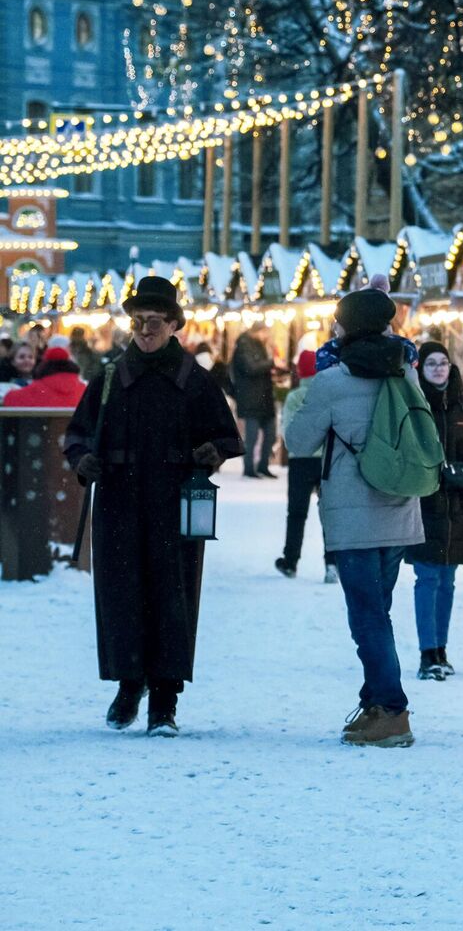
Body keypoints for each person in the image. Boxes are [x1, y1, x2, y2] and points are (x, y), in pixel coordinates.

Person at [62, 277, 242, 736]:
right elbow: (77, 433)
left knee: (173, 594)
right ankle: (128, 684)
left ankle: (164, 699)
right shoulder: (108, 379)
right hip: (119, 499)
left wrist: (211, 453)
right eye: (139, 321)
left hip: (174, 499)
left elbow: (226, 435)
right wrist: (83, 458)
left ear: (174, 324)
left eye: (155, 322)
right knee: (121, 592)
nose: (145, 330)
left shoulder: (194, 380)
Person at [284, 289, 427, 748]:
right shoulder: (406, 372)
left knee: (366, 616)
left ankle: (392, 710)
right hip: (400, 503)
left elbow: (298, 442)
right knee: (377, 611)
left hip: (352, 514)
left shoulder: (331, 380)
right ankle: (374, 703)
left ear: (345, 327)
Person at [407, 342, 463, 681]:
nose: (439, 369)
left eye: (443, 363)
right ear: (420, 370)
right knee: (427, 578)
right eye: (431, 364)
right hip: (425, 505)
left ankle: (442, 647)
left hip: (458, 507)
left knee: (448, 580)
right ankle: (428, 652)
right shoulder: (415, 406)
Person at [275, 351, 326, 580]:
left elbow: (286, 431)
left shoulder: (294, 397)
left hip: (300, 460)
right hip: (326, 460)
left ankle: (290, 561)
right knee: (330, 514)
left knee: (296, 513)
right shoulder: (328, 395)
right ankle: (333, 563)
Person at [228, 324, 280, 478]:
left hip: (263, 397)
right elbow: (250, 367)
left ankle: (263, 465)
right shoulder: (244, 346)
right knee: (252, 436)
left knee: (270, 434)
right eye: (265, 333)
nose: (267, 336)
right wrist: (271, 363)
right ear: (258, 332)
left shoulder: (258, 346)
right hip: (251, 398)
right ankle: (249, 467)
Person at [3, 344, 85, 407]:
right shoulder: (83, 388)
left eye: (31, 357)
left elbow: (9, 399)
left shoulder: (38, 387)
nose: (27, 360)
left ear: (44, 366)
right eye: (22, 357)